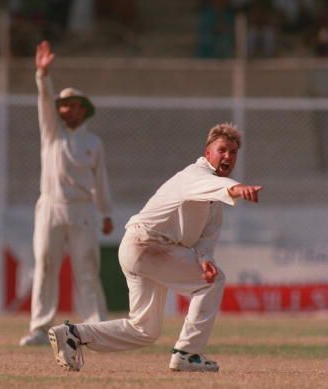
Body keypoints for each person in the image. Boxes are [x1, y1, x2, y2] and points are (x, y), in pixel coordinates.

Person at [48, 123, 263, 372]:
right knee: (213, 283)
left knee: (144, 330)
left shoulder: (213, 191)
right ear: (207, 153)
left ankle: (73, 334)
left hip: (140, 249)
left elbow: (208, 232)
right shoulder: (195, 175)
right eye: (222, 149)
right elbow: (212, 186)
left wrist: (205, 258)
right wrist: (236, 188)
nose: (228, 156)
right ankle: (188, 354)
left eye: (233, 152)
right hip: (148, 245)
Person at [19, 40, 114, 346]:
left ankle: (95, 327)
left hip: (83, 209)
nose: (67, 109)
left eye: (74, 105)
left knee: (87, 266)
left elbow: (101, 180)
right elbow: (44, 101)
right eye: (63, 104)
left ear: (83, 111)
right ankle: (39, 327)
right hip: (50, 206)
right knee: (45, 264)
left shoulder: (94, 143)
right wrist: (42, 74)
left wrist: (107, 211)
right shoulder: (52, 132)